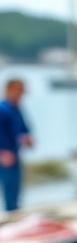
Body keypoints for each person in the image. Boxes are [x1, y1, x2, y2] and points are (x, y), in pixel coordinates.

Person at [0, 79, 32, 212]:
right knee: (9, 190)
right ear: (9, 90)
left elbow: (24, 129)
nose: (21, 95)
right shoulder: (2, 108)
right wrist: (2, 152)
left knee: (15, 191)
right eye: (19, 91)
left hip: (15, 154)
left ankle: (13, 212)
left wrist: (28, 138)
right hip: (4, 156)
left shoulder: (16, 109)